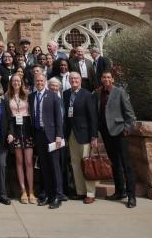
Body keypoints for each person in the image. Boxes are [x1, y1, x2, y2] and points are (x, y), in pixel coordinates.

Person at [97, 70, 137, 208]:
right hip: (106, 134)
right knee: (115, 163)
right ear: (101, 79)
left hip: (120, 132)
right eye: (104, 77)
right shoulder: (98, 93)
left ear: (112, 79)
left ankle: (132, 196)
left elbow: (130, 115)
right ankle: (120, 191)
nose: (106, 79)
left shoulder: (119, 92)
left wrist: (126, 129)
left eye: (108, 77)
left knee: (127, 165)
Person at [29, 73, 63, 209]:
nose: (39, 82)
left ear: (46, 82)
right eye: (37, 80)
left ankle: (58, 196)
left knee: (55, 166)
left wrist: (59, 136)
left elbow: (58, 118)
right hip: (39, 135)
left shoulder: (53, 96)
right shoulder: (32, 97)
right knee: (44, 167)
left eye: (42, 80)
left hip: (52, 136)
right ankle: (48, 195)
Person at [64, 71, 98, 204]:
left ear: (80, 80)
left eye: (76, 78)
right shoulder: (66, 94)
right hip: (71, 134)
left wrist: (94, 136)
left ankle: (90, 193)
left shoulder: (87, 95)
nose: (73, 80)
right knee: (75, 164)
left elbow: (93, 117)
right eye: (71, 78)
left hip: (85, 134)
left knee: (86, 163)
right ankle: (80, 192)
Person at [7, 73, 36, 204]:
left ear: (21, 82)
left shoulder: (28, 95)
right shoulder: (7, 97)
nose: (16, 83)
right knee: (19, 161)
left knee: (29, 162)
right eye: (14, 81)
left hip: (27, 128)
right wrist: (10, 132)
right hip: (15, 130)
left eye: (18, 81)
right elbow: (8, 118)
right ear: (11, 83)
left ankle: (31, 191)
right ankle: (23, 190)